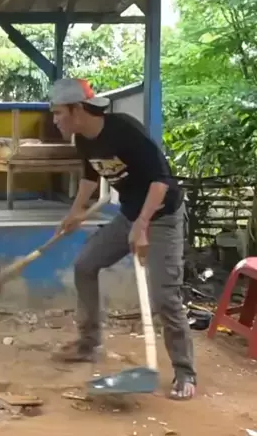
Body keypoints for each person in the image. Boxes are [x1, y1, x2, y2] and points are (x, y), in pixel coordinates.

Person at [49, 78, 196, 401]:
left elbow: (162, 180)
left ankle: (185, 371)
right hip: (130, 214)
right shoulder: (82, 140)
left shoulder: (124, 130)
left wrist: (142, 225)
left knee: (164, 296)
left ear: (77, 109)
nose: (55, 119)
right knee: (85, 265)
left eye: (58, 113)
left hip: (162, 215)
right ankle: (88, 343)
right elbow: (90, 176)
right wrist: (76, 212)